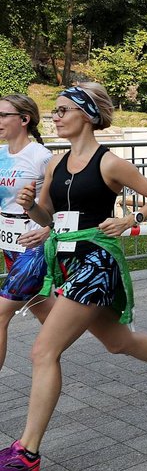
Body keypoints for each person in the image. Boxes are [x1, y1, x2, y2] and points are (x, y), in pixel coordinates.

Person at [1, 83, 147, 471]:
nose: (55, 117)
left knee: (44, 351)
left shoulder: (109, 162)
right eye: (55, 111)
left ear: (88, 114)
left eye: (63, 110)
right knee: (117, 342)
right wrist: (30, 208)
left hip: (96, 261)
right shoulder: (54, 165)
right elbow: (47, 218)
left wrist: (131, 219)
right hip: (65, 257)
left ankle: (27, 451)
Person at [0, 95, 52, 371]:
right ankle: (90, 319)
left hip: (35, 245)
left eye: (3, 115)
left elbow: (62, 206)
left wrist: (46, 231)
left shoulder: (42, 158)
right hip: (10, 243)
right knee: (42, 307)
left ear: (24, 119)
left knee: (0, 314)